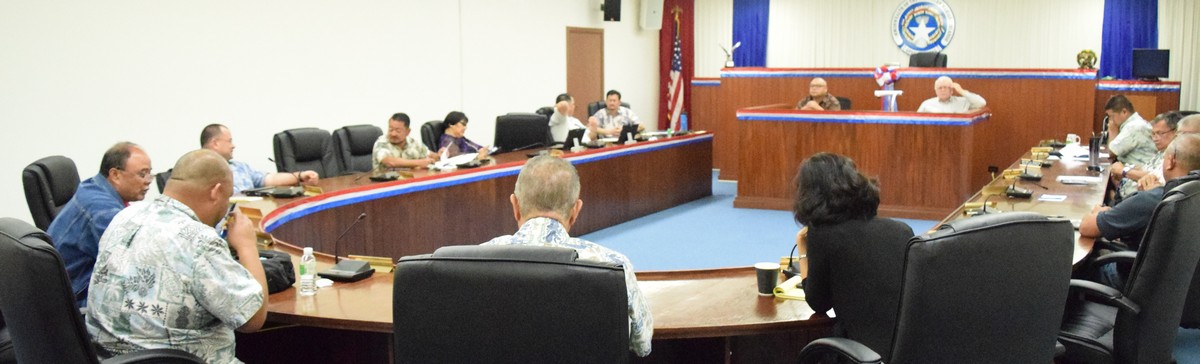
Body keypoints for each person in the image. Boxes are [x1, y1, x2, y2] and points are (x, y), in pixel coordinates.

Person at [86, 149, 267, 363]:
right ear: (215, 191)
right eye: (227, 199)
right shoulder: (199, 240)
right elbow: (253, 319)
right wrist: (247, 246)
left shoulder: (125, 216)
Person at [480, 155, 653, 357]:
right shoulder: (612, 265)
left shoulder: (473, 261)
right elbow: (643, 345)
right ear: (576, 210)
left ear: (515, 206)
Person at [792, 152, 914, 362]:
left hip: (862, 356)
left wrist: (803, 247)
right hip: (912, 353)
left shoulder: (823, 236)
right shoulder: (902, 230)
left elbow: (818, 303)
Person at [1083, 133, 1200, 288]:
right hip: (1174, 288)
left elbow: (1087, 227)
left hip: (1131, 282)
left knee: (1080, 266)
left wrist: (1099, 212)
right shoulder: (1190, 196)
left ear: (1170, 162)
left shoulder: (1152, 200)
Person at [48, 142, 152, 307]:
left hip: (70, 287)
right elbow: (134, 264)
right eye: (142, 174)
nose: (148, 181)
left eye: (149, 173)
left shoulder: (94, 186)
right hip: (79, 298)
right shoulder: (102, 211)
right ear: (115, 175)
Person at [201, 124, 319, 194]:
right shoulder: (199, 170)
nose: (233, 145)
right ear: (215, 143)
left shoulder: (240, 167)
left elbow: (269, 179)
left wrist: (300, 176)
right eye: (229, 141)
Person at [1102, 95, 1157, 199]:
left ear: (1124, 112)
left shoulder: (1134, 126)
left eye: (1112, 116)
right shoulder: (1133, 124)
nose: (1111, 120)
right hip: (1131, 175)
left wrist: (1112, 131)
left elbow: (1112, 152)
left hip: (1137, 179)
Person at [373, 112, 438, 171]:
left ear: (408, 131)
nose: (393, 134)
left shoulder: (413, 142)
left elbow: (430, 155)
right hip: (386, 182)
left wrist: (440, 155)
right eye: (391, 129)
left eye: (398, 131)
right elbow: (390, 162)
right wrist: (419, 163)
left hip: (412, 180)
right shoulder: (381, 142)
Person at [916, 76, 986, 113]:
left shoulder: (962, 102)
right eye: (940, 88)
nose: (943, 90)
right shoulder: (927, 104)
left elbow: (981, 103)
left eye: (946, 87)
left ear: (952, 90)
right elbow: (917, 121)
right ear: (936, 91)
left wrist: (962, 91)